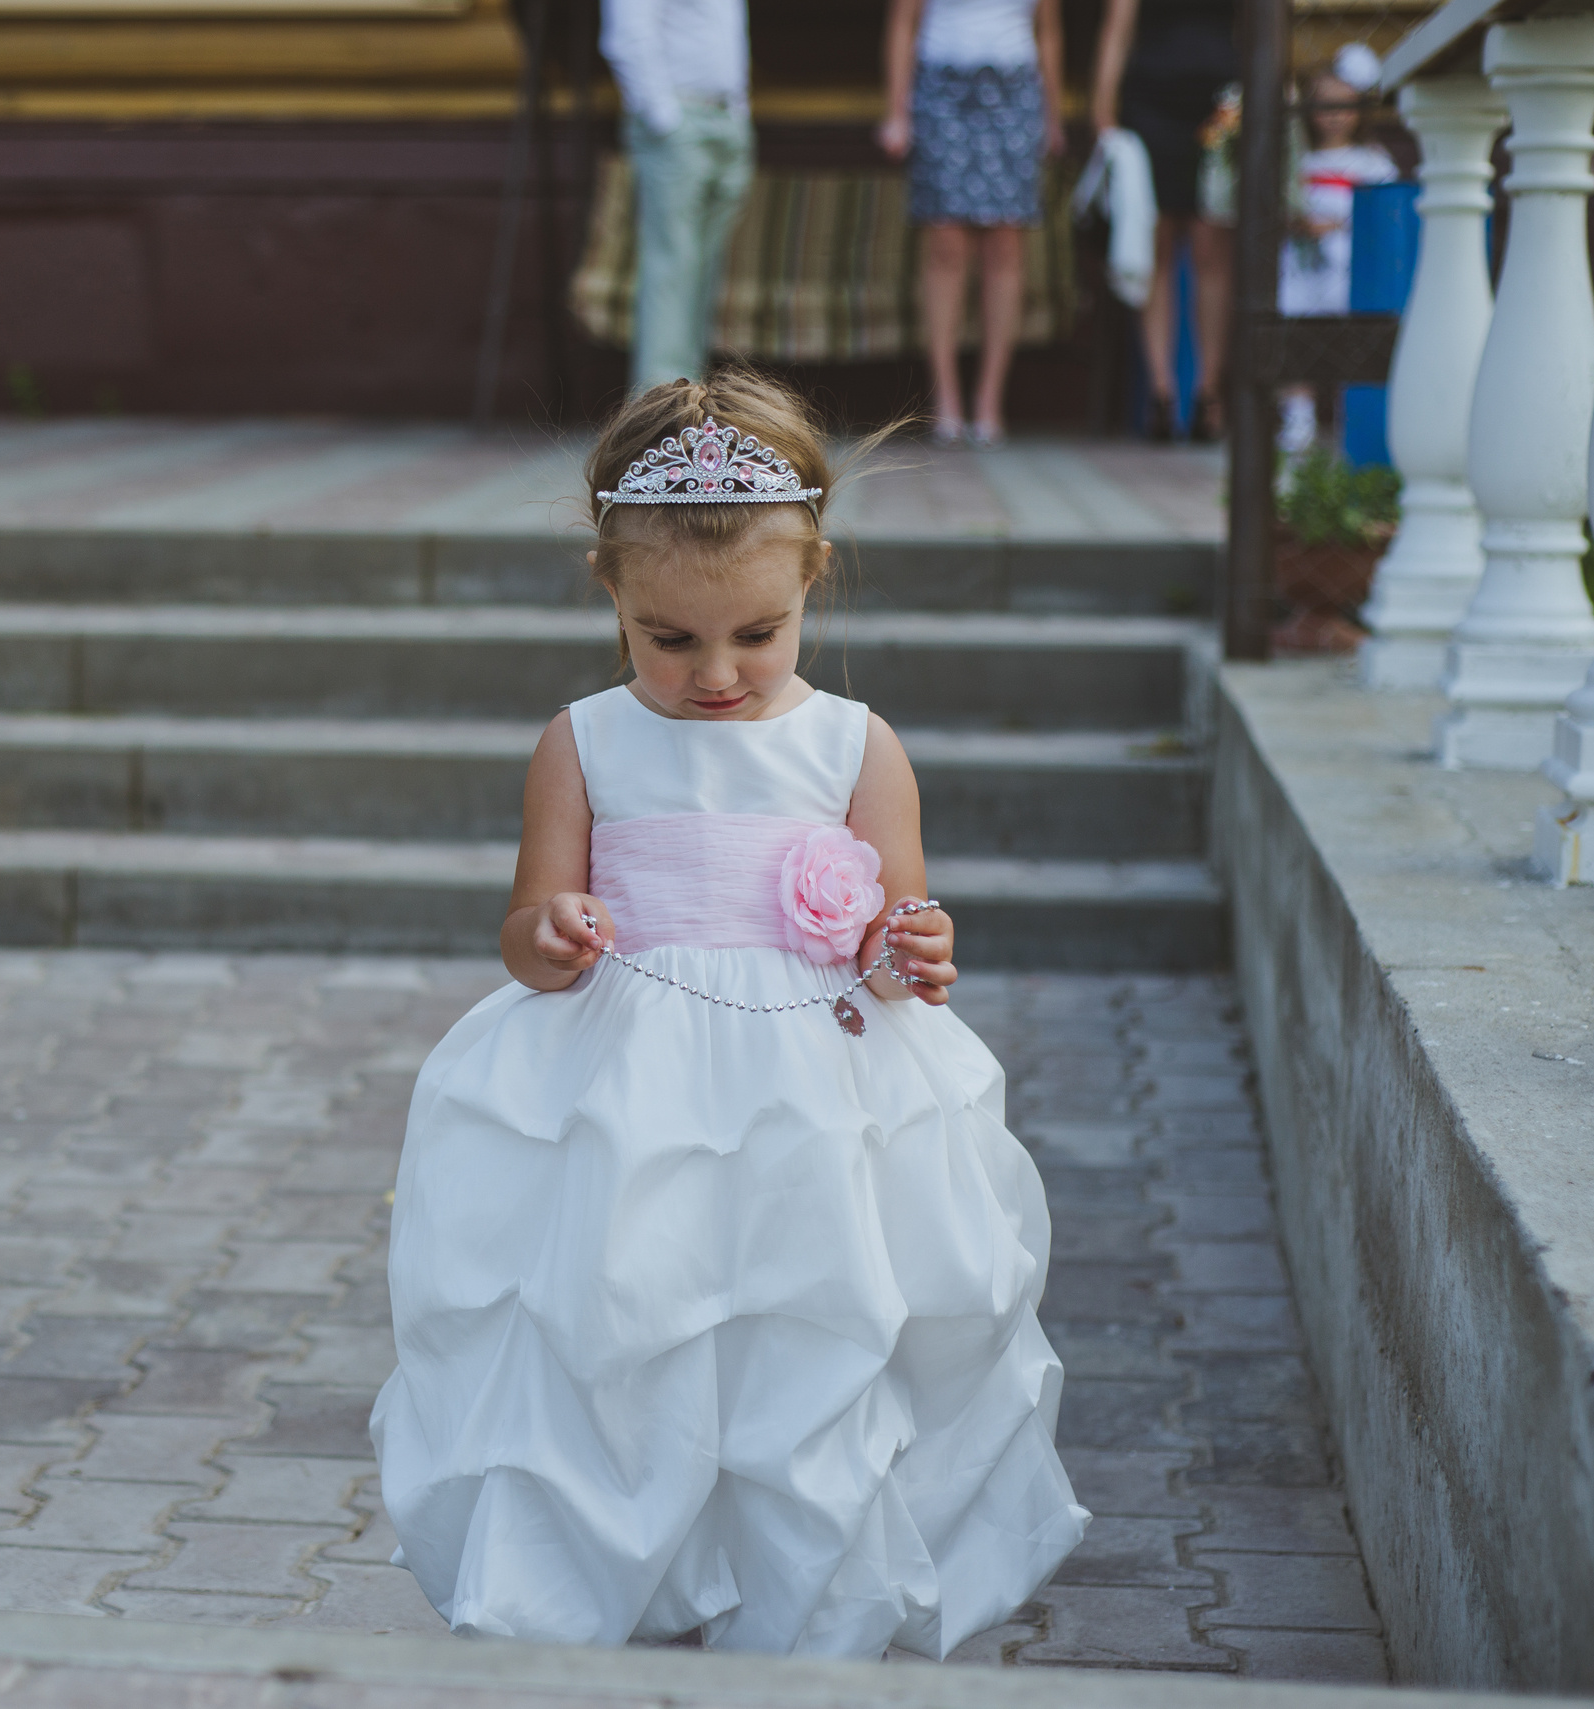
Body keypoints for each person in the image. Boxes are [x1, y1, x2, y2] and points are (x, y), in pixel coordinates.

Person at [370, 369, 1087, 1656]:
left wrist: (911, 942)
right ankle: (621, 1580)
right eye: (671, 638)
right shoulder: (582, 741)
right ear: (612, 592)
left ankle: (795, 1598)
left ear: (813, 575)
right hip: (628, 1085)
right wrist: (552, 934)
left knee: (802, 1332)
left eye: (755, 633)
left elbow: (900, 930)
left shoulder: (856, 744)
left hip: (815, 1094)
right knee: (629, 1320)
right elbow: (529, 925)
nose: (717, 674)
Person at [878, 0, 1067, 445]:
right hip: (941, 86)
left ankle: (989, 402)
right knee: (946, 243)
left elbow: (1050, 30)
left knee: (1005, 244)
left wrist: (1052, 117)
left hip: (1015, 89)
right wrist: (896, 112)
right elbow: (903, 22)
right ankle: (946, 400)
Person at [1092, 0, 1236, 440]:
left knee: (1212, 246)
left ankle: (1209, 393)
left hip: (1219, 105)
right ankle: (1160, 391)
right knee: (1155, 242)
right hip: (1149, 103)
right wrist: (1102, 112)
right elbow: (1117, 28)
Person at [601, 0, 754, 394]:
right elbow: (627, 35)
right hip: (678, 121)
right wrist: (664, 117)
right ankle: (657, 412)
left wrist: (737, 108)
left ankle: (689, 403)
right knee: (672, 264)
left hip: (727, 117)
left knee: (702, 268)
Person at [1278, 46, 1398, 452]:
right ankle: (1298, 420)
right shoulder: (1299, 161)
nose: (1333, 115)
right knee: (1295, 337)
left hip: (1350, 270)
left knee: (1352, 343)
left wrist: (1334, 225)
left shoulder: (1372, 162)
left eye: (1343, 106)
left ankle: (1354, 420)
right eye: (1324, 105)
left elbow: (1383, 214)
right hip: (1300, 268)